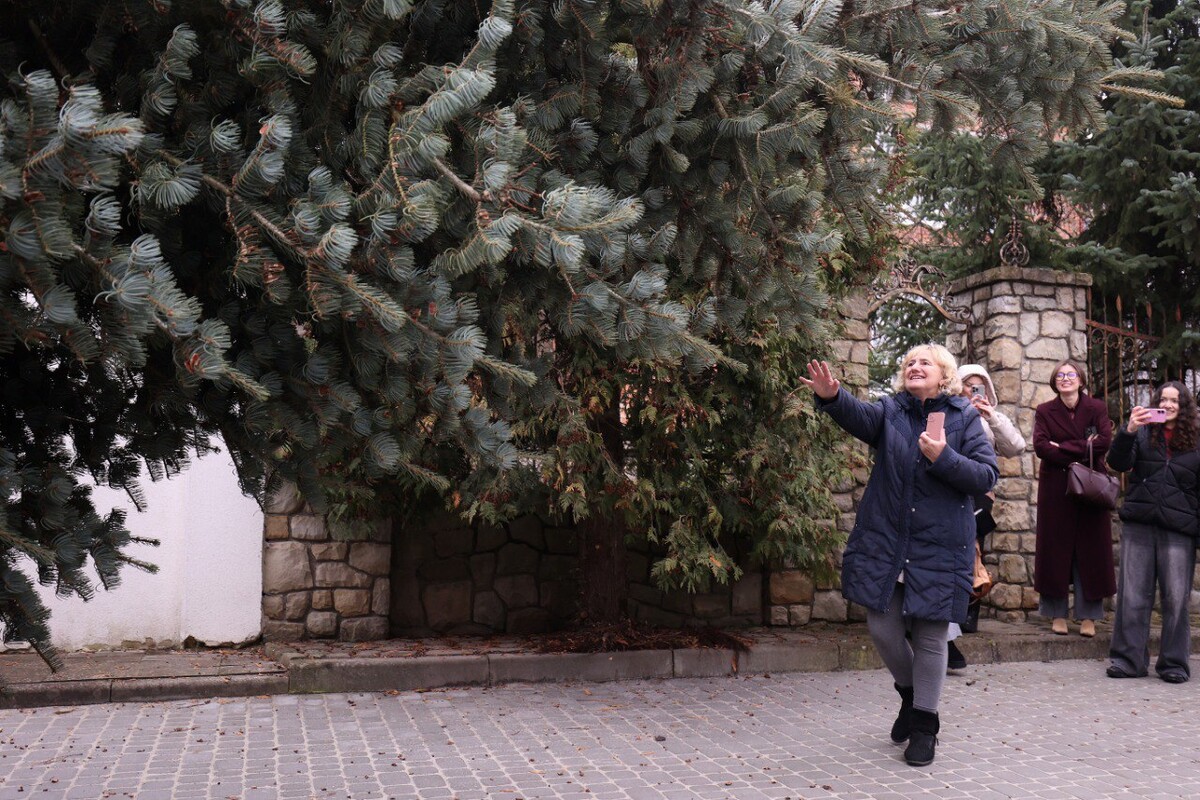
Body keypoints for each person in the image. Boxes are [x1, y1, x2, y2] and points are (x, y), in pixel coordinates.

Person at [800, 344, 998, 767]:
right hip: (888, 540)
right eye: (909, 362)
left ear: (943, 373)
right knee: (883, 627)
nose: (915, 366)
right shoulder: (891, 412)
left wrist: (943, 457)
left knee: (929, 634)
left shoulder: (965, 418)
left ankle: (925, 726)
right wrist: (832, 397)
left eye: (924, 362)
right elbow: (857, 415)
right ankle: (912, 697)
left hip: (941, 545)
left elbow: (985, 476)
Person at [1105, 382, 1200, 683]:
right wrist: (1129, 429)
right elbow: (1118, 462)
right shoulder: (1143, 430)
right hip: (1140, 523)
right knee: (1132, 594)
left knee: (1174, 598)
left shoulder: (1197, 438)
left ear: (1184, 406)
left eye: (1175, 401)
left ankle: (1173, 663)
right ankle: (1127, 660)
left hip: (1179, 528)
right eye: (1163, 399)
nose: (1169, 405)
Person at [945, 364, 1028, 668]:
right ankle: (949, 627)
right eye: (969, 385)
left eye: (980, 386)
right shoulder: (950, 411)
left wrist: (989, 416)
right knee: (960, 557)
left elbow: (1016, 447)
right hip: (953, 492)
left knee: (973, 555)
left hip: (981, 495)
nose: (974, 391)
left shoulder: (991, 416)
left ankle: (966, 619)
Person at [1032, 359, 1115, 637]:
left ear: (1080, 380)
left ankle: (1089, 616)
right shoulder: (1045, 411)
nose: (1065, 379)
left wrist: (1064, 447)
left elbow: (1104, 441)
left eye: (1071, 374)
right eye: (1060, 375)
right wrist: (1082, 447)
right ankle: (1056, 613)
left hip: (1090, 486)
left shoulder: (1097, 408)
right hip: (1056, 488)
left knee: (1091, 550)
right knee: (1055, 549)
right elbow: (1042, 447)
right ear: (1055, 382)